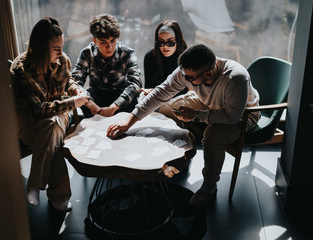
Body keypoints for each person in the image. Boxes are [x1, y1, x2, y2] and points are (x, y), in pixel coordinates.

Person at [107, 44, 260, 208]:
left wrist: (196, 115)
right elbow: (161, 92)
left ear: (208, 74)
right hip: (209, 103)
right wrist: (130, 119)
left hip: (244, 114)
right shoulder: (188, 72)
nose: (185, 80)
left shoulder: (235, 77)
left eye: (189, 79)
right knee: (167, 108)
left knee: (212, 135)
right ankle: (180, 157)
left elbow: (231, 117)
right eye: (184, 75)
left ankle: (209, 186)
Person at [11, 17, 88, 211]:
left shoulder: (62, 61)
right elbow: (36, 111)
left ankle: (35, 186)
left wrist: (76, 90)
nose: (61, 53)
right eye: (56, 48)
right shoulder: (21, 70)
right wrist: (72, 103)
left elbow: (68, 81)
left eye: (61, 47)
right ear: (40, 47)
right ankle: (59, 198)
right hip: (28, 118)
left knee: (51, 125)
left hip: (57, 115)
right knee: (49, 134)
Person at [72, 14, 142, 118]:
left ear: (117, 38)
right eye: (103, 42)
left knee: (133, 98)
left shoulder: (127, 53)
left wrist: (114, 106)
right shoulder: (87, 53)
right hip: (95, 100)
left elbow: (135, 83)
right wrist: (90, 104)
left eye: (112, 41)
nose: (109, 47)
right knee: (82, 96)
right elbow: (75, 83)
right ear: (95, 41)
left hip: (119, 100)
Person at [143, 19, 188, 97]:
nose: (165, 47)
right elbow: (148, 88)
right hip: (155, 100)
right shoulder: (150, 57)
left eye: (170, 42)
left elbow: (185, 90)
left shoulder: (187, 58)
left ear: (178, 41)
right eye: (161, 42)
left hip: (180, 100)